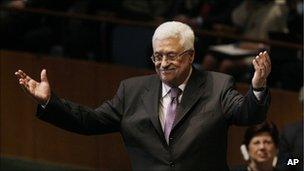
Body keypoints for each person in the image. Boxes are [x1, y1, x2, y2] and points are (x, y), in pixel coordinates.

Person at [15, 21, 271, 170]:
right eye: (157, 56)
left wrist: (257, 88)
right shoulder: (132, 90)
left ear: (191, 55)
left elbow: (247, 113)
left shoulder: (217, 85)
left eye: (171, 56)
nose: (162, 63)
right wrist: (50, 101)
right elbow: (89, 121)